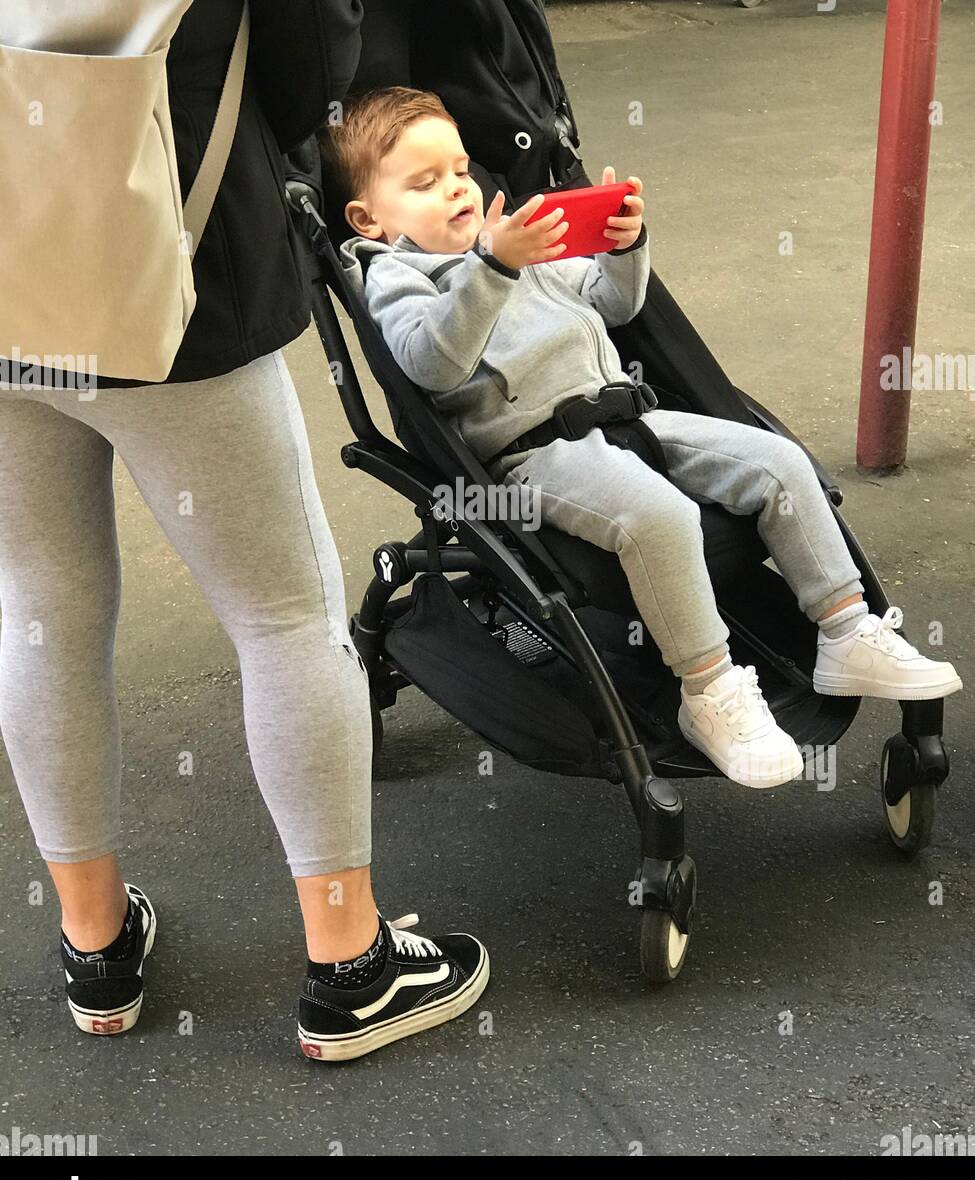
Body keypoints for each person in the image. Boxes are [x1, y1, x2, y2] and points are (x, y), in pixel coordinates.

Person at [0, 0, 488, 1063]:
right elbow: (319, 61)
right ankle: (349, 963)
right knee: (281, 615)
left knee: (41, 610)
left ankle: (95, 944)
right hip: (183, 290)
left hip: (6, 287)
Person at [331, 86, 963, 787]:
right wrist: (492, 269)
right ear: (370, 218)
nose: (455, 190)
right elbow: (430, 362)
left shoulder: (518, 242)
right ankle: (709, 691)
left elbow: (613, 303)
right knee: (658, 517)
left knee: (780, 463)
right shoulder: (397, 275)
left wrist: (622, 245)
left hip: (631, 417)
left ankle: (845, 628)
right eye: (424, 184)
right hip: (538, 453)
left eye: (458, 171)